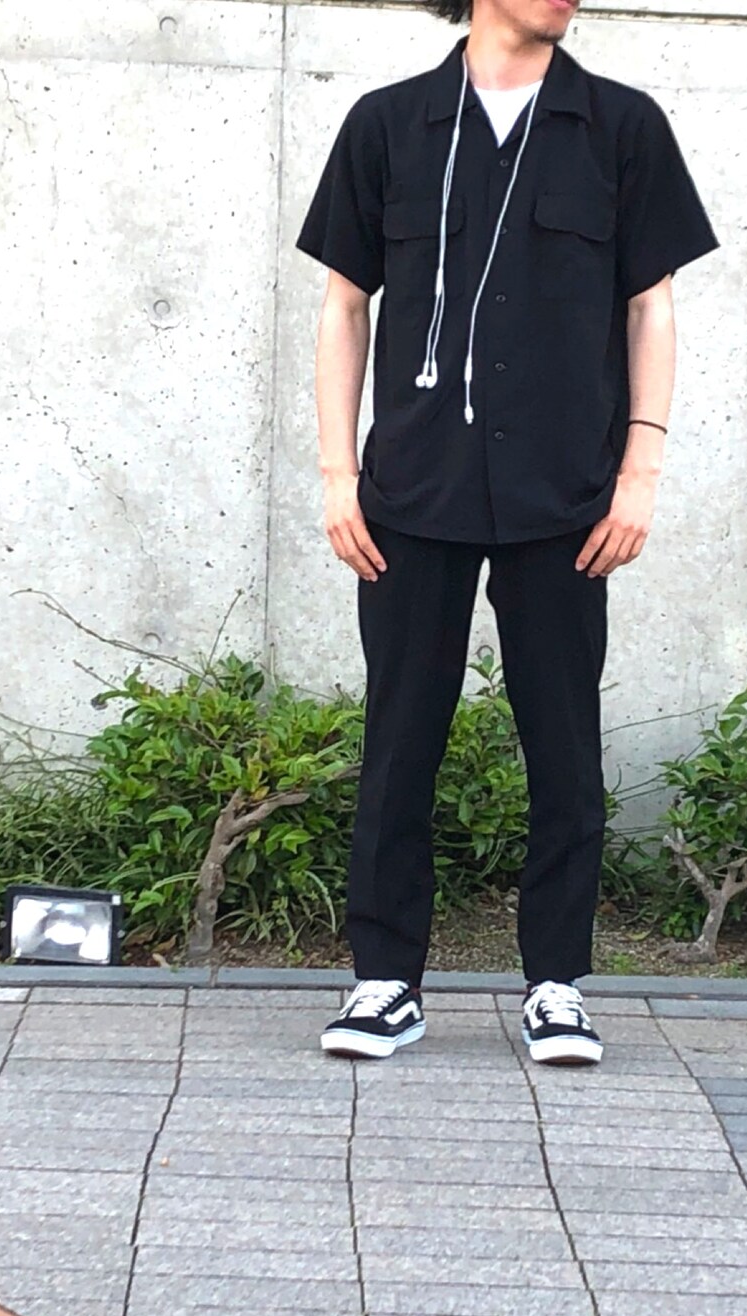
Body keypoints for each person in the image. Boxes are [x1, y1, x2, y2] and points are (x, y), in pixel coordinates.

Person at [295, 0, 719, 1065]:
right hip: (411, 493)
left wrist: (640, 474)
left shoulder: (620, 126)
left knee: (564, 744)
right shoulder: (388, 124)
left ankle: (556, 985)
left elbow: (652, 307)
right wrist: (339, 475)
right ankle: (384, 981)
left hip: (565, 497)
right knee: (399, 739)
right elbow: (345, 305)